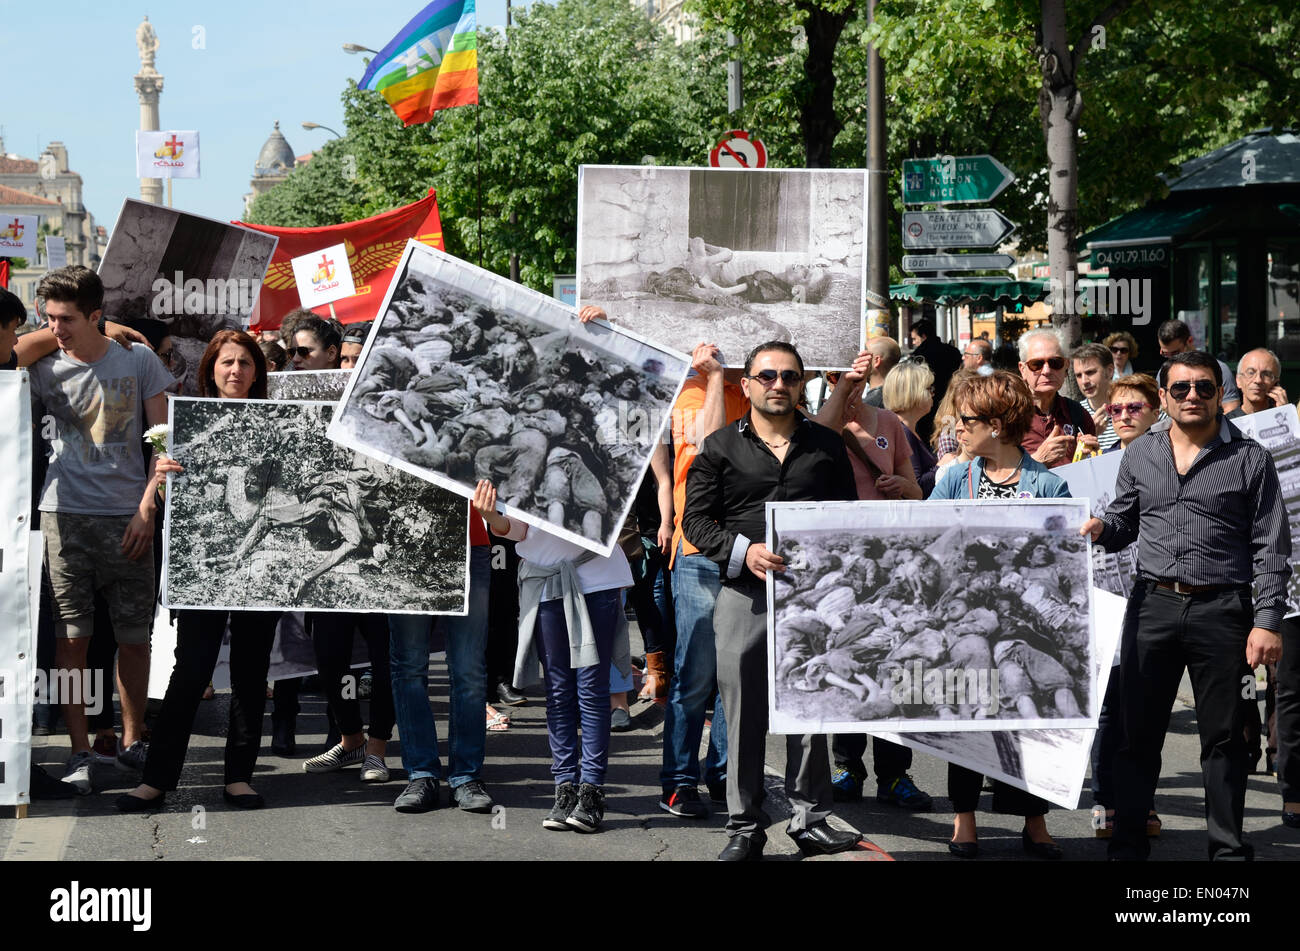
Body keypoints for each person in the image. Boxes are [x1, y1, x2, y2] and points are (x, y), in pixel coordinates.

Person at [1082, 351, 1290, 860]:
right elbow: (1125, 520)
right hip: (1152, 606)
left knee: (1225, 740)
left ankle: (1225, 847)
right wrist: (1101, 529)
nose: (1192, 396)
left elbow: (1271, 544)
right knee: (1136, 734)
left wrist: (1267, 622)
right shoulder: (1141, 454)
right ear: (1165, 397)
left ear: (1222, 394)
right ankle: (1128, 842)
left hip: (1223, 610)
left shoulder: (1251, 458)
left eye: (1203, 388)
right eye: (1181, 389)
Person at [683, 340, 862, 861]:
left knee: (810, 700)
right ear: (748, 385)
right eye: (766, 376)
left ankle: (811, 820)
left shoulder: (827, 446)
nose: (777, 384)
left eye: (788, 376)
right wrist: (744, 552)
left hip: (815, 594)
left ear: (802, 383)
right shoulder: (718, 447)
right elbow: (696, 522)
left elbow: (846, 518)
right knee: (742, 713)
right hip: (746, 593)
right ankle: (744, 827)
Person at [117, 331, 281, 811]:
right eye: (227, 362)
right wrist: (164, 482)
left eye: (245, 363)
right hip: (203, 567)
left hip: (261, 564)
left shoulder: (278, 422)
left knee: (252, 673)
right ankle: (156, 780)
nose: (236, 371)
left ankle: (239, 779)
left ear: (258, 371)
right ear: (210, 369)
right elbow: (171, 506)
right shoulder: (183, 424)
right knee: (191, 670)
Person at [28, 266, 173, 793]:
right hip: (63, 518)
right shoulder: (46, 365)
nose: (56, 329)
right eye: (50, 319)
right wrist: (69, 331)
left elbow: (162, 448)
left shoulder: (139, 361)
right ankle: (80, 751)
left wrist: (146, 510)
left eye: (67, 319)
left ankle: (134, 743)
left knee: (135, 640)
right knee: (72, 642)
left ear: (95, 314)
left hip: (129, 517)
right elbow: (6, 356)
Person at [931, 370, 1070, 859]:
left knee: (1033, 711)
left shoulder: (1048, 485)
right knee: (973, 706)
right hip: (968, 618)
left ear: (997, 423)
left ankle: (1035, 821)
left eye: (965, 420)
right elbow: (931, 544)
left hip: (1024, 620)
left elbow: (1059, 560)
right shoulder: (954, 479)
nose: (956, 429)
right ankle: (963, 818)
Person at [473, 480, 632, 834]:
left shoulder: (597, 451)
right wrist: (491, 517)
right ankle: (565, 789)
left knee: (591, 690)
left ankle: (591, 792)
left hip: (597, 578)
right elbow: (517, 529)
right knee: (559, 693)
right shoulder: (523, 460)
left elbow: (618, 509)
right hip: (544, 580)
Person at [810, 350, 932, 810]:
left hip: (889, 559)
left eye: (859, 380)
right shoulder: (817, 424)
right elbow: (817, 441)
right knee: (847, 655)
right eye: (842, 379)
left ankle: (895, 773)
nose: (853, 387)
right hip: (839, 564)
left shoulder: (890, 424)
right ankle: (847, 766)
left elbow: (916, 489)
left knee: (893, 659)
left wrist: (903, 487)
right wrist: (840, 395)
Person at [658, 342, 746, 820]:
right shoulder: (681, 391)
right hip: (697, 552)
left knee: (736, 679)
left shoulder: (756, 386)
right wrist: (713, 378)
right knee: (694, 677)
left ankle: (726, 778)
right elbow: (711, 451)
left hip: (747, 554)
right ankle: (679, 782)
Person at [387, 502, 495, 814]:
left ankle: (466, 776)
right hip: (406, 542)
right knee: (409, 666)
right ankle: (421, 774)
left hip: (469, 543)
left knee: (468, 668)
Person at [1227, 348, 1297, 828]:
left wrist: (1286, 419)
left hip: (1283, 563)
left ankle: (1285, 764)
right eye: (1250, 373)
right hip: (1235, 569)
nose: (1258, 380)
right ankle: (1247, 745)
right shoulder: (1224, 425)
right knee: (1242, 677)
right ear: (1238, 379)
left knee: (1287, 683)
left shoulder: (1288, 422)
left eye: (1266, 374)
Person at [1017, 328, 1098, 467]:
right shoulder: (1007, 415)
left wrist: (1088, 457)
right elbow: (993, 476)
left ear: (1066, 367)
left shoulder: (1078, 413)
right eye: (1036, 364)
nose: (1047, 371)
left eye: (1055, 363)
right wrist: (1037, 460)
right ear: (1023, 369)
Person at [1155, 319, 1241, 412]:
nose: (1170, 359)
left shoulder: (1219, 369)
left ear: (1190, 341)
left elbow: (1231, 411)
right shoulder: (1164, 372)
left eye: (1175, 353)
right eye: (1165, 354)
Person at [883, 359, 940, 497]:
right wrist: (943, 466)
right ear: (912, 392)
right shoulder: (902, 431)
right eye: (928, 389)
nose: (933, 393)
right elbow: (916, 487)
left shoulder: (907, 428)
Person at [908, 319, 962, 441]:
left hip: (926, 409)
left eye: (915, 339)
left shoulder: (920, 354)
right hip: (951, 403)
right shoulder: (953, 351)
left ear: (923, 336)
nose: (914, 343)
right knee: (950, 440)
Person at [1071, 342, 1119, 452]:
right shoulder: (1072, 414)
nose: (1084, 381)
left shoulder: (1133, 408)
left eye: (1090, 372)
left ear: (1109, 371)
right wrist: (1091, 433)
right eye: (1078, 375)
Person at [1102, 373, 1161, 452]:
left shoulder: (1173, 456)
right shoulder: (1100, 460)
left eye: (1134, 408)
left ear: (1155, 415)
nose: (1124, 417)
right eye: (1116, 410)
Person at [860, 335, 901, 408]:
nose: (859, 358)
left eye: (864, 355)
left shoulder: (872, 403)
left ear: (876, 361)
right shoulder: (903, 393)